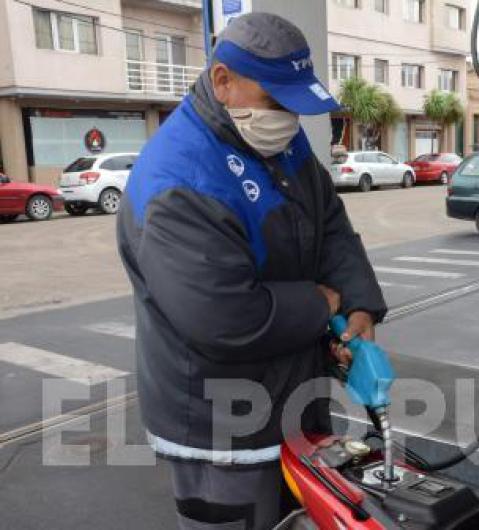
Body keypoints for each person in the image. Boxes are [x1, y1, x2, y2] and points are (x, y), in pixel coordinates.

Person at [117, 12, 386, 529]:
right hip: (222, 428)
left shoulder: (277, 139)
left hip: (293, 404)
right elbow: (225, 318)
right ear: (223, 81)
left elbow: (329, 221)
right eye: (277, 101)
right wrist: (321, 304)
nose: (289, 117)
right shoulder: (178, 179)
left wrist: (357, 303)